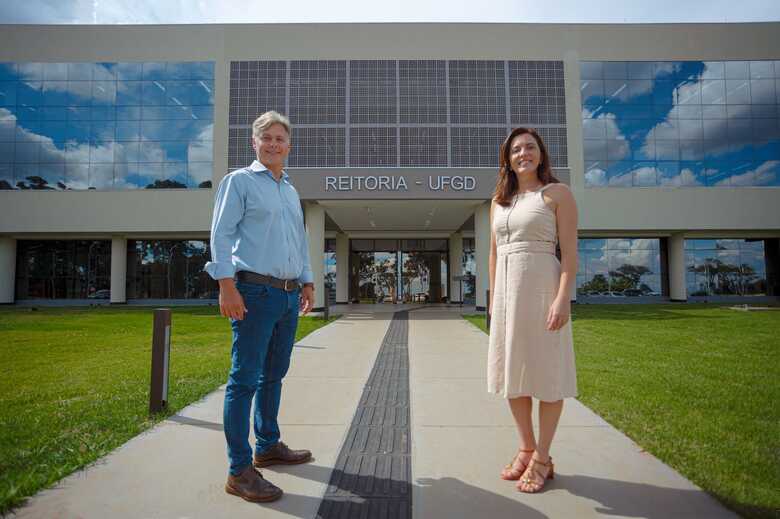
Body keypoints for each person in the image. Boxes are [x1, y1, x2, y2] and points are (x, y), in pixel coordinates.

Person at [205, 111, 315, 503]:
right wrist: (226, 285)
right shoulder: (239, 182)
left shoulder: (290, 191)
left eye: (279, 138)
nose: (273, 144)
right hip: (253, 292)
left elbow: (298, 240)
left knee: (274, 375)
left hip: (287, 295)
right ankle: (239, 471)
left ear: (289, 145)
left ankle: (267, 445)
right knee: (244, 380)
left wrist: (307, 281)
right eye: (265, 137)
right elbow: (221, 234)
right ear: (254, 143)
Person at [487, 127, 578, 493]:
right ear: (507, 159)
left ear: (541, 154)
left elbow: (569, 254)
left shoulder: (557, 194)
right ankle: (526, 448)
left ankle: (543, 457)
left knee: (547, 373)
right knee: (514, 373)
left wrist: (562, 298)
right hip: (507, 297)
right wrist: (494, 300)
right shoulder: (498, 201)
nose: (523, 153)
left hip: (543, 291)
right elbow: (493, 254)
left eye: (529, 147)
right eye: (516, 150)